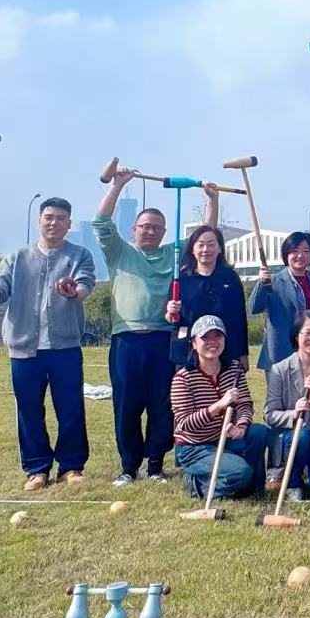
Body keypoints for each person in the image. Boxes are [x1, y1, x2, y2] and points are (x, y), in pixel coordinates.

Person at [94, 167, 218, 485]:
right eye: (145, 227)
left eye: (156, 228)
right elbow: (101, 222)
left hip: (163, 339)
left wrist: (211, 199)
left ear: (164, 232)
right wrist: (118, 185)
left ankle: (155, 465)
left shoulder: (172, 255)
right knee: (127, 404)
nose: (150, 232)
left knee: (162, 403)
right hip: (127, 340)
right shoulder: (119, 251)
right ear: (133, 229)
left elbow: (205, 236)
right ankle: (128, 466)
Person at [0, 196, 97, 490]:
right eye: (49, 217)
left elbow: (84, 285)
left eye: (60, 218)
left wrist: (73, 292)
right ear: (39, 220)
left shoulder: (79, 255)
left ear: (69, 224)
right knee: (28, 411)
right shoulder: (17, 258)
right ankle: (36, 469)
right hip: (24, 348)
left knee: (70, 409)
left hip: (65, 348)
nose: (54, 223)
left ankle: (70, 467)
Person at [169, 315, 268, 501]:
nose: (212, 342)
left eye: (217, 336)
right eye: (205, 337)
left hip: (225, 439)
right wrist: (219, 405)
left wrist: (241, 427)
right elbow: (184, 424)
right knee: (240, 472)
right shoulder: (183, 379)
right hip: (195, 447)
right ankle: (196, 483)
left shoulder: (234, 369)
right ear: (194, 343)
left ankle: (253, 487)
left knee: (259, 432)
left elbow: (245, 404)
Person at [262, 310, 310, 500]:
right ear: (296, 335)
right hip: (293, 438)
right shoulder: (279, 370)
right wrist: (294, 413)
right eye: (307, 333)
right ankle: (292, 481)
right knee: (302, 436)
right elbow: (269, 414)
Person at [250, 231, 310, 391]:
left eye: (305, 251)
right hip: (281, 352)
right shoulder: (273, 281)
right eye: (294, 251)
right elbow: (254, 307)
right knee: (280, 401)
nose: (300, 255)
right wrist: (261, 283)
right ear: (286, 254)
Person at [167, 224, 248, 372]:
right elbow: (171, 318)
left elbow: (240, 317)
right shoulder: (181, 279)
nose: (206, 249)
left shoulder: (230, 278)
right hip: (188, 351)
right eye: (201, 245)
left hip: (226, 350)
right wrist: (171, 312)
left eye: (211, 245)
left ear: (220, 248)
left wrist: (242, 353)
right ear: (192, 249)